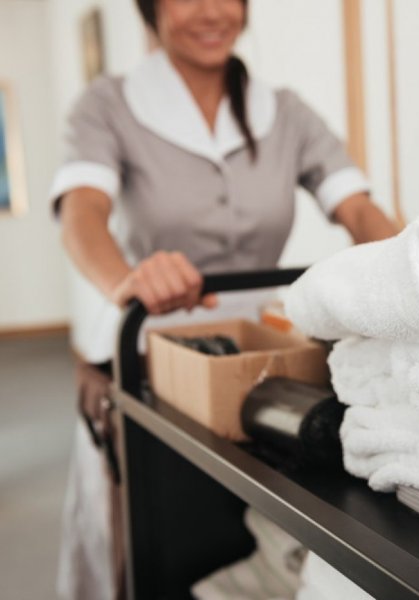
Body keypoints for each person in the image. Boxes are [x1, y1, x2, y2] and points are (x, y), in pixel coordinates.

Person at [51, 0, 399, 598]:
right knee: (164, 547)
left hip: (264, 357)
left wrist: (409, 273)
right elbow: (81, 211)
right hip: (153, 358)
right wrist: (125, 281)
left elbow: (359, 209)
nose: (212, 12)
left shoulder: (285, 113)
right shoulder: (108, 105)